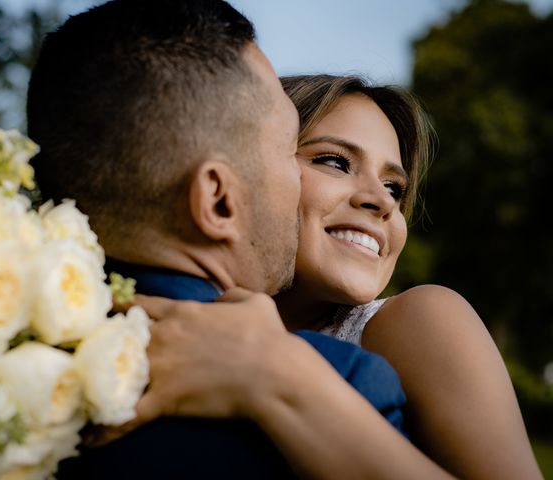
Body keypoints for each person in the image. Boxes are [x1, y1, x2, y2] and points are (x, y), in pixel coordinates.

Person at [26, 1, 436, 478]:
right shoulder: (347, 385)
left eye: (395, 189)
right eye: (295, 154)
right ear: (219, 200)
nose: (382, 202)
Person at [120, 74, 543, 479]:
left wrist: (277, 376)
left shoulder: (423, 319)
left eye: (395, 187)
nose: (382, 202)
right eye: (336, 162)